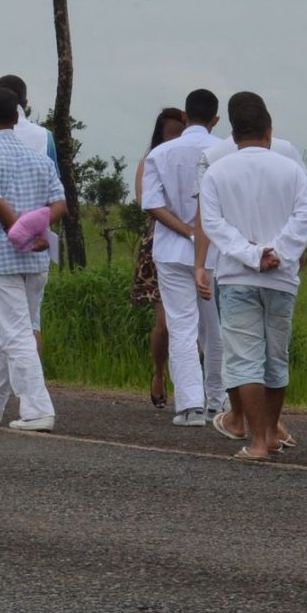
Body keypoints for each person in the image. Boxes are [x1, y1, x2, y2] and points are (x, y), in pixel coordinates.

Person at [199, 92, 307, 460]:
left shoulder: (217, 171)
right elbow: (306, 216)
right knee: (275, 357)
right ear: (269, 131)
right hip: (281, 277)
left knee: (244, 358)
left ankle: (258, 442)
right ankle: (271, 432)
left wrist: (251, 254)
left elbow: (212, 223)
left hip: (237, 276)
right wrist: (277, 252)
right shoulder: (291, 169)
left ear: (233, 136)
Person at [0, 87, 66, 431]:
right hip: (36, 260)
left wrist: (22, 231)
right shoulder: (38, 159)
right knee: (14, 331)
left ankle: (37, 409)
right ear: (18, 116)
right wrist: (39, 230)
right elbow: (59, 204)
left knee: (15, 334)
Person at [141, 89, 225, 426]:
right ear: (216, 119)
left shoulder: (160, 153)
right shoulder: (224, 151)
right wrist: (202, 233)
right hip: (216, 252)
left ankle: (190, 406)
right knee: (216, 329)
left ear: (186, 117)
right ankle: (218, 402)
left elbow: (152, 204)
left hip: (171, 251)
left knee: (181, 327)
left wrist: (188, 232)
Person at [130, 107, 185, 409]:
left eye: (180, 131)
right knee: (164, 323)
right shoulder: (150, 161)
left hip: (194, 242)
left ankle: (191, 387)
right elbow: (145, 201)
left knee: (195, 325)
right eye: (170, 132)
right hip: (159, 243)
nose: (175, 137)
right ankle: (159, 372)